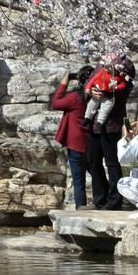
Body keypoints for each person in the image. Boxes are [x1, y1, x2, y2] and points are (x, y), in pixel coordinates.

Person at [85, 54, 134, 210]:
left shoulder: (125, 63)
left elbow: (124, 86)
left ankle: (114, 201)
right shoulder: (100, 62)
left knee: (112, 164)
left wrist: (106, 90)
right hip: (95, 123)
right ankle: (100, 199)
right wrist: (91, 91)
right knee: (93, 162)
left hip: (112, 122)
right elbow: (90, 81)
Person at [53, 66, 94, 209]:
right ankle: (103, 202)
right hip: (92, 143)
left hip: (76, 144)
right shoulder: (98, 95)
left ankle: (81, 208)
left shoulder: (76, 97)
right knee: (97, 174)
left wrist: (64, 83)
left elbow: (56, 103)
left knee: (78, 181)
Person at [81, 54, 129, 129]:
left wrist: (114, 88)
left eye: (106, 66)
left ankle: (100, 121)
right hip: (98, 90)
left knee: (107, 106)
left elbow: (124, 87)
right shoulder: (102, 71)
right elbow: (92, 79)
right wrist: (89, 89)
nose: (104, 67)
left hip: (113, 121)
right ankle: (87, 117)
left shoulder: (120, 73)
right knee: (92, 104)